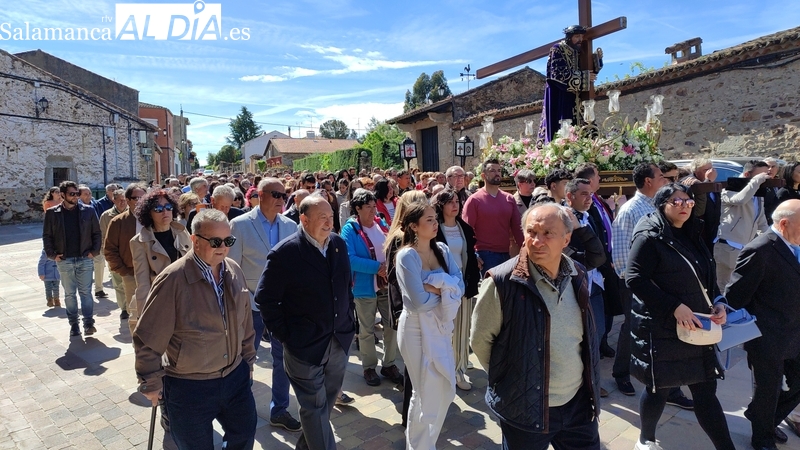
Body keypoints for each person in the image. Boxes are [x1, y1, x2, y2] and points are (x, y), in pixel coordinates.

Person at [471, 203, 600, 449]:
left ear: (566, 239)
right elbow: (480, 341)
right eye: (531, 232)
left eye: (548, 233)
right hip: (526, 409)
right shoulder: (502, 282)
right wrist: (512, 379)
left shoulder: (577, 274)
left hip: (578, 404)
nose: (537, 241)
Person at [133, 208, 257, 450]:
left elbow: (245, 323)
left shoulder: (233, 269)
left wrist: (248, 361)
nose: (223, 247)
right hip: (190, 386)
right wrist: (150, 380)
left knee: (244, 435)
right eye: (215, 241)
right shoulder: (173, 279)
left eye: (228, 240)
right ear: (195, 240)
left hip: (234, 377)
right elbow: (149, 336)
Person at [625, 184, 734, 450]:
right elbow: (634, 279)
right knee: (659, 388)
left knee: (705, 391)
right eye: (677, 201)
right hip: (663, 328)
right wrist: (674, 306)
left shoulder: (694, 231)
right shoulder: (650, 236)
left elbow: (705, 275)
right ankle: (646, 440)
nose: (685, 205)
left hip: (698, 324)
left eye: (688, 201)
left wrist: (719, 302)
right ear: (662, 204)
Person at [255, 195, 355, 450]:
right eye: (322, 217)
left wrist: (348, 320)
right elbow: (266, 299)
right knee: (314, 407)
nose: (329, 223)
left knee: (322, 409)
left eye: (331, 217)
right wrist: (286, 335)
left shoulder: (337, 244)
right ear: (304, 219)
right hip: (304, 348)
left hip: (338, 340)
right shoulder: (285, 253)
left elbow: (345, 286)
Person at [228, 178, 302, 433]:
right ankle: (241, 411)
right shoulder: (239, 225)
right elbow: (231, 269)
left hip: (283, 307)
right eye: (275, 194)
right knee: (246, 359)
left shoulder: (291, 225)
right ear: (259, 195)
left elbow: (295, 267)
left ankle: (279, 410)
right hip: (252, 306)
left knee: (283, 360)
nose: (282, 199)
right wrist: (245, 302)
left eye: (284, 194)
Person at [726, 199, 800, 450]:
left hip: (796, 332)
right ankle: (762, 438)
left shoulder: (795, 243)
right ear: (784, 223)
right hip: (768, 336)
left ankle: (763, 418)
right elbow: (735, 295)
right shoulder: (760, 249)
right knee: (768, 390)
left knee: (796, 385)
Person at [395, 201, 464, 449]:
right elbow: (419, 302)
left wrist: (439, 285)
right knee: (421, 391)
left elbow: (461, 285)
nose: (436, 224)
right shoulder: (406, 256)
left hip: (440, 326)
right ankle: (418, 446)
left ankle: (427, 442)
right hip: (414, 328)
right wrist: (447, 290)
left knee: (443, 387)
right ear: (414, 226)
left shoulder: (443, 250)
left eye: (436, 219)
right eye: (429, 220)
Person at [129, 188, 192, 432]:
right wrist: (148, 319)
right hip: (162, 303)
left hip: (188, 300)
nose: (165, 212)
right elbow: (142, 282)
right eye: (158, 209)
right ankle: (168, 414)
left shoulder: (182, 231)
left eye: (168, 207)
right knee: (162, 358)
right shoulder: (140, 241)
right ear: (148, 213)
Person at [340, 189, 403, 387]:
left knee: (391, 325)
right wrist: (377, 268)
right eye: (368, 207)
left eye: (374, 206)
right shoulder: (349, 229)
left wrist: (390, 266)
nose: (373, 210)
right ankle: (369, 367)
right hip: (364, 287)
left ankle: (389, 364)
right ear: (357, 209)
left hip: (386, 286)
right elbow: (349, 259)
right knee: (367, 329)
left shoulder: (381, 223)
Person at [384, 190, 432, 426]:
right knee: (414, 370)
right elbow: (394, 277)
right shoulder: (399, 239)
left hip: (420, 307)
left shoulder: (418, 236)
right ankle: (410, 419)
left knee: (421, 367)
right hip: (406, 308)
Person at [432, 189, 480, 391]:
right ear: (441, 206)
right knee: (443, 329)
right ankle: (442, 368)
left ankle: (458, 371)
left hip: (463, 284)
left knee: (462, 330)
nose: (455, 205)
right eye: (450, 202)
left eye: (457, 202)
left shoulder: (464, 228)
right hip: (442, 286)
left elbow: (468, 253)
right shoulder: (435, 228)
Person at [42, 181, 102, 337]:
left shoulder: (88, 211)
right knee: (69, 294)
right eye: (72, 194)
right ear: (62, 195)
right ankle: (74, 324)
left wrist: (94, 252)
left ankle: (88, 323)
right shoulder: (52, 213)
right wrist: (52, 255)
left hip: (85, 258)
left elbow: (97, 233)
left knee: (86, 293)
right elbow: (47, 236)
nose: (76, 197)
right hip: (65, 259)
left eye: (77, 193)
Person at [537, 25, 602, 146]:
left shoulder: (579, 51)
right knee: (562, 134)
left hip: (579, 99)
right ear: (569, 37)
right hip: (561, 97)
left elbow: (588, 71)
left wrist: (596, 61)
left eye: (581, 36)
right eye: (577, 36)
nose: (580, 39)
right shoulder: (557, 49)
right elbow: (558, 75)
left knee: (587, 131)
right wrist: (584, 77)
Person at [715, 160, 770, 292]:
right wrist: (756, 181)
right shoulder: (728, 190)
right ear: (747, 174)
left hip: (747, 247)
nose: (764, 180)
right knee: (724, 287)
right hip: (729, 245)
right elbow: (740, 200)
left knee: (742, 286)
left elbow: (761, 220)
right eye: (760, 176)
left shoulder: (757, 192)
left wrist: (773, 239)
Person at [462, 158, 524, 275]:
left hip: (506, 254)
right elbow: (467, 231)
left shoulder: (509, 199)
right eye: (492, 171)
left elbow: (517, 227)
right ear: (483, 175)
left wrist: (526, 249)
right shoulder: (474, 200)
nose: (497, 173)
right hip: (485, 255)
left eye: (499, 170)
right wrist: (472, 254)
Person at [105, 183, 146, 327]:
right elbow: (109, 250)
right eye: (136, 198)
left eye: (143, 198)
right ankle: (138, 345)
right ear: (128, 200)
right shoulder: (118, 222)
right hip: (131, 274)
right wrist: (123, 271)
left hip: (154, 273)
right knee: (135, 313)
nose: (140, 201)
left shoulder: (153, 219)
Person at [99, 189, 128, 316]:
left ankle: (131, 306)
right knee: (118, 283)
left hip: (129, 253)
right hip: (115, 254)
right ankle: (124, 308)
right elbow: (103, 235)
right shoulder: (106, 216)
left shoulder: (133, 213)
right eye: (120, 200)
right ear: (114, 200)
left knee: (131, 282)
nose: (123, 203)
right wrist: (105, 253)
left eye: (125, 200)